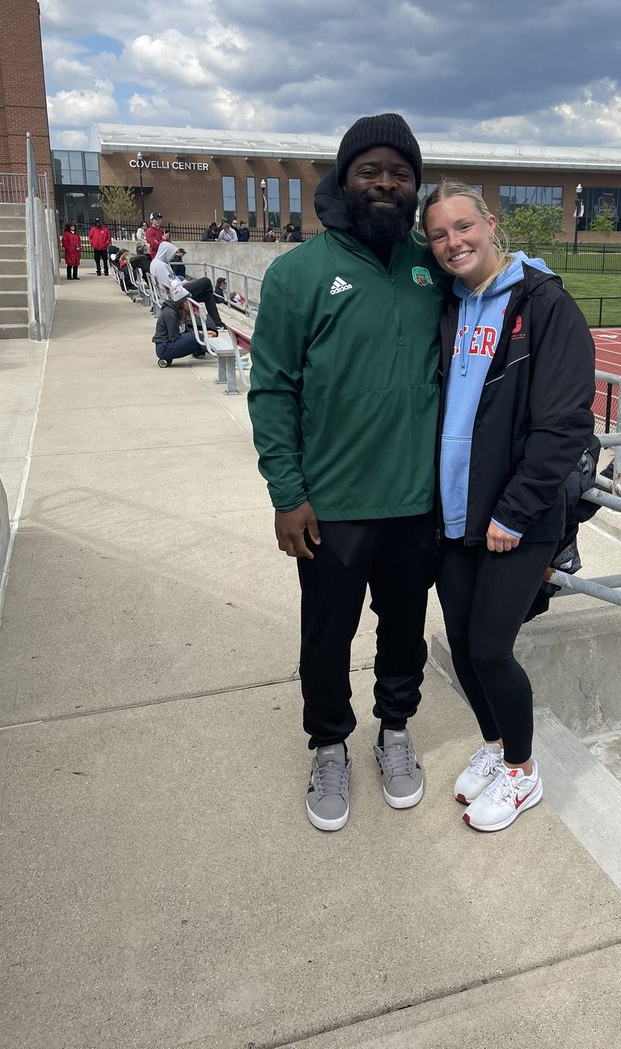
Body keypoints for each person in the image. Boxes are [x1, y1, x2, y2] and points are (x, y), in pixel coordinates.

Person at [248, 113, 446, 834]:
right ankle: (328, 742)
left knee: (404, 627)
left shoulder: (433, 267)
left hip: (418, 502)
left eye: (399, 171)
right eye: (371, 170)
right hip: (330, 506)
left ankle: (395, 731)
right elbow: (271, 389)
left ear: (414, 183)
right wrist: (286, 494)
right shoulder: (298, 273)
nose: (386, 182)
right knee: (325, 638)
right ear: (344, 178)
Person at [422, 179, 595, 833]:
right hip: (454, 513)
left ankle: (523, 772)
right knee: (463, 644)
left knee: (492, 648)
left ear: (489, 224)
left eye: (463, 227)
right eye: (439, 234)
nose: (453, 242)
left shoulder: (545, 305)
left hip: (515, 520)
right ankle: (495, 747)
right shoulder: (449, 305)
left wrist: (516, 510)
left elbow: (563, 424)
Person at [150, 243, 225, 329]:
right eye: (172, 254)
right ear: (166, 252)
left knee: (208, 296)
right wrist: (184, 283)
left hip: (177, 291)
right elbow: (170, 286)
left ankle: (217, 322)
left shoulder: (157, 263)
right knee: (206, 281)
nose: (173, 257)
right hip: (177, 294)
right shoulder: (160, 266)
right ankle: (217, 299)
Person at [152, 285, 211, 367]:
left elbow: (184, 330)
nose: (189, 305)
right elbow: (174, 337)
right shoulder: (170, 314)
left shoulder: (180, 311)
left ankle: (199, 351)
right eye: (187, 302)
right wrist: (198, 336)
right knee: (196, 337)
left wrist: (202, 333)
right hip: (164, 348)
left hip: (168, 345)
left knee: (198, 336)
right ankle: (219, 354)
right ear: (182, 302)